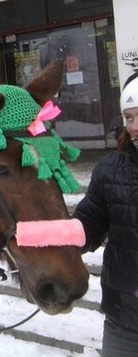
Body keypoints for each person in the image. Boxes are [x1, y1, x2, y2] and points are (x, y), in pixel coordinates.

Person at [73, 72, 138, 356]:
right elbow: (89, 224)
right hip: (124, 320)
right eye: (130, 117)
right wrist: (53, 233)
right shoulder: (109, 169)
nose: (135, 127)